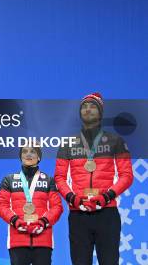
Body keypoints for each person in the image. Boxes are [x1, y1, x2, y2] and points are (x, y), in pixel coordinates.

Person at [54, 93, 133, 265]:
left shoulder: (115, 141)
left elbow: (126, 176)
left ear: (101, 112)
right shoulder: (67, 143)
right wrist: (72, 198)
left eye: (92, 106)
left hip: (107, 213)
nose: (87, 109)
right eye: (84, 106)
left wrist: (107, 196)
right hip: (78, 213)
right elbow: (59, 178)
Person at [0, 147, 63, 265]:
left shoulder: (49, 180)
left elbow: (57, 207)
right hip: (17, 240)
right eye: (24, 152)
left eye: (33, 151)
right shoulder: (8, 180)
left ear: (39, 157)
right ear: (20, 157)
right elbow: (2, 206)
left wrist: (43, 222)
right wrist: (15, 220)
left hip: (43, 240)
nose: (28, 154)